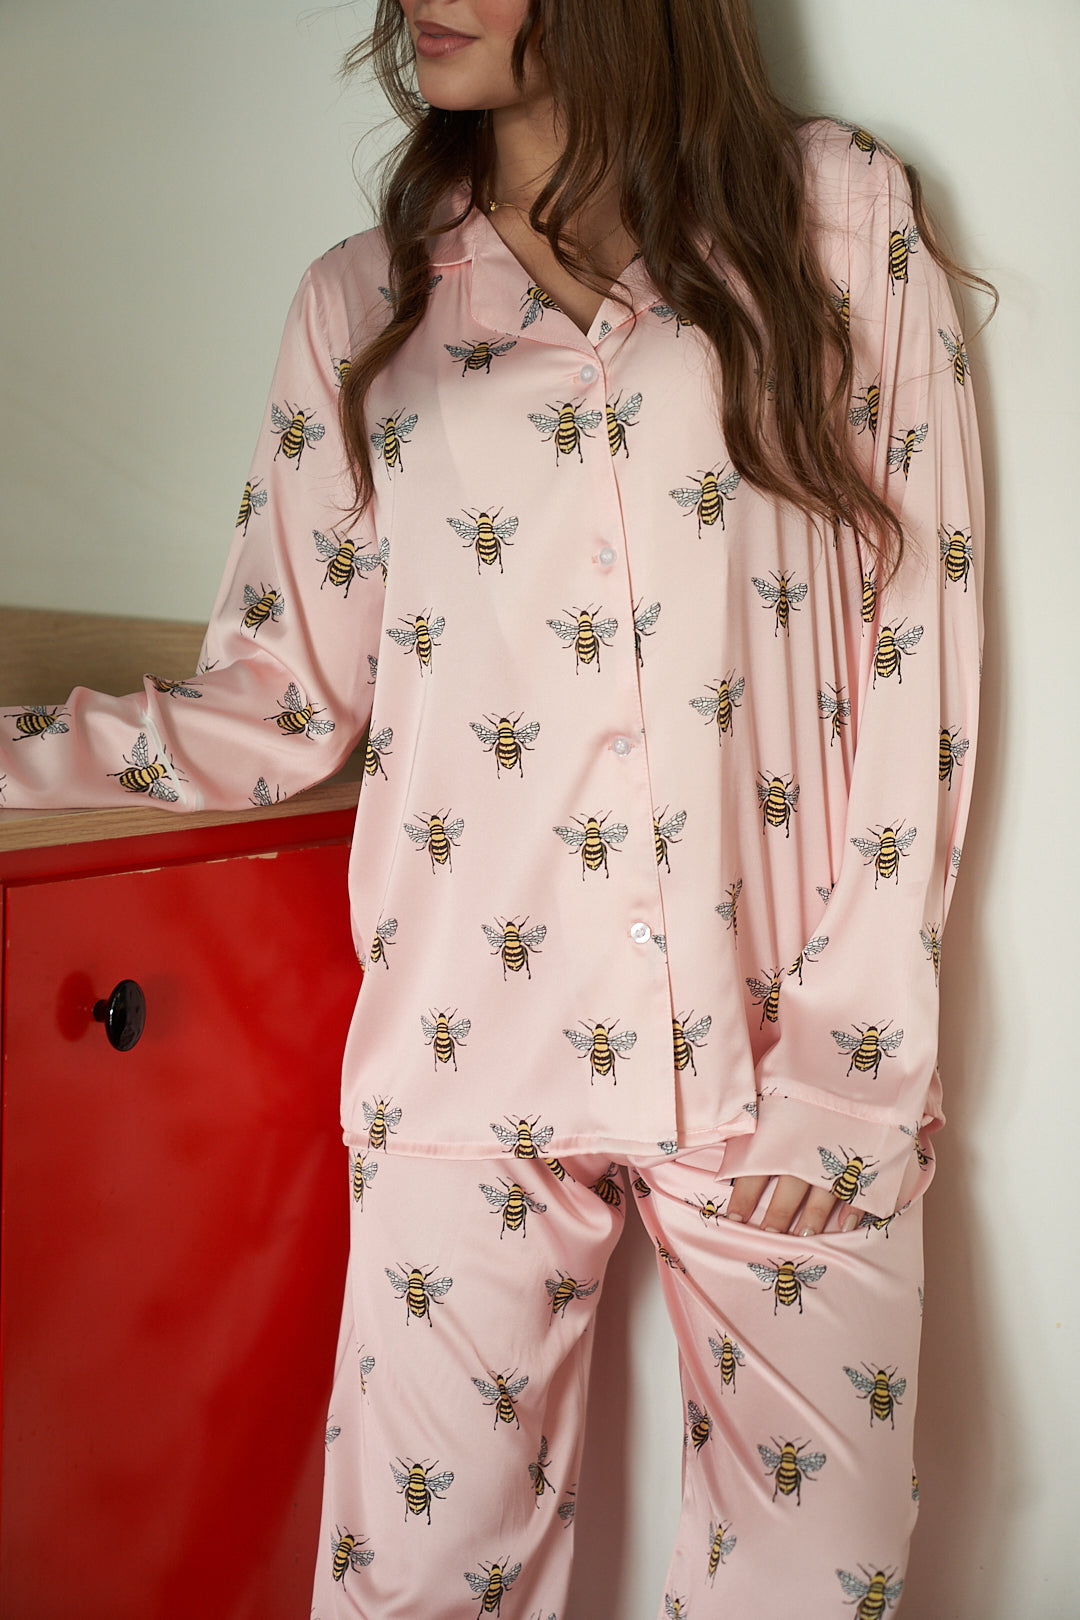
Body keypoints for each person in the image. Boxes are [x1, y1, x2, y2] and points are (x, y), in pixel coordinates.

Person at [0, 2, 992, 1614]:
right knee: (411, 1588)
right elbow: (275, 704)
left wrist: (858, 1057)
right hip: (470, 1050)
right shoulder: (364, 301)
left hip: (785, 1066)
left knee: (816, 1586)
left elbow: (916, 637)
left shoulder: (833, 219)